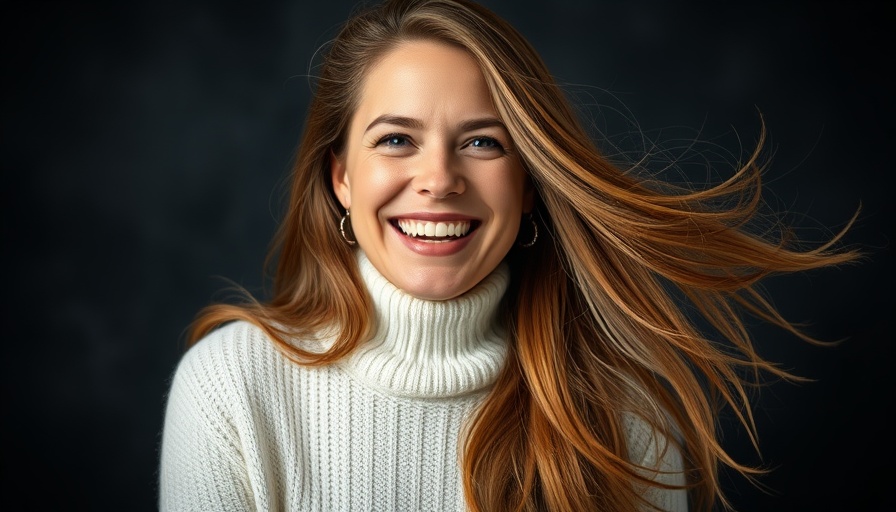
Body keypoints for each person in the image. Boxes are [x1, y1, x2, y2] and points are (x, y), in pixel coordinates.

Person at [158, 0, 860, 510]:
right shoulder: (230, 388)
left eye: (483, 142)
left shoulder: (626, 413)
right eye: (396, 139)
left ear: (528, 185)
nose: (439, 179)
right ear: (341, 178)